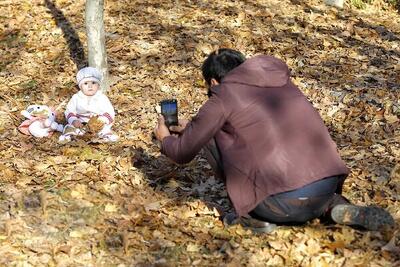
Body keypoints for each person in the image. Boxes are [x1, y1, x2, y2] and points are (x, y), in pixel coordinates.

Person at [153, 48, 395, 233]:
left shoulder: (222, 96)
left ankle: (252, 215)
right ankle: (332, 207)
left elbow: (182, 154)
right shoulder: (281, 83)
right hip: (326, 186)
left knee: (211, 134)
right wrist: (194, 127)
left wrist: (165, 139)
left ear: (214, 82)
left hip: (278, 203)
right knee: (308, 192)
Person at [59, 67, 118, 143]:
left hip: (97, 122)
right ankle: (69, 136)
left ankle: (106, 136)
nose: (90, 86)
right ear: (80, 86)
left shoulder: (102, 97)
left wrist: (102, 120)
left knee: (104, 129)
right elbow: (69, 111)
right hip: (81, 122)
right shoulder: (76, 97)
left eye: (93, 83)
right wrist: (73, 120)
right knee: (70, 127)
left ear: (98, 85)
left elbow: (109, 111)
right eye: (86, 83)